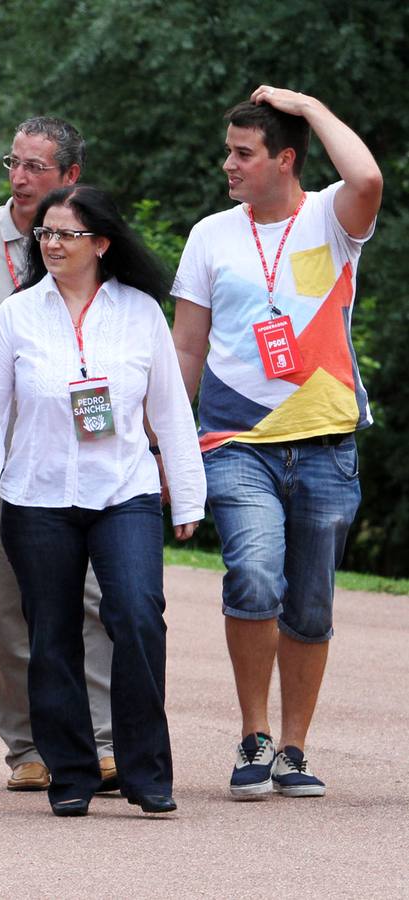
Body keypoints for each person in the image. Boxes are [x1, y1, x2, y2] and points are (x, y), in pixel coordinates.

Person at [0, 184, 205, 817]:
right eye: (45, 233)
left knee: (138, 613)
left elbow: (171, 410)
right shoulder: (18, 313)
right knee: (52, 633)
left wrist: (188, 495)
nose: (53, 243)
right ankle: (71, 773)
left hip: (124, 488)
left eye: (66, 233)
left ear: (100, 243)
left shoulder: (140, 311)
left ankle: (146, 771)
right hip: (36, 494)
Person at [171, 86, 382, 800]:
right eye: (227, 151)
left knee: (311, 605)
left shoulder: (329, 216)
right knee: (254, 576)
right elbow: (187, 345)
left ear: (284, 158)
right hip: (235, 442)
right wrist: (167, 442)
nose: (226, 164)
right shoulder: (210, 235)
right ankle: (253, 733)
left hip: (324, 439)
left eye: (242, 153)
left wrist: (311, 105)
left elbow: (368, 179)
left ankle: (294, 748)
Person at [0, 117, 119, 792]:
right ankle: (28, 747)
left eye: (36, 167)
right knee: (10, 606)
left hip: (81, 446)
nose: (18, 178)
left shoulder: (97, 242)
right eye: (13, 162)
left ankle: (98, 739)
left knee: (92, 599)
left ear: (69, 176)